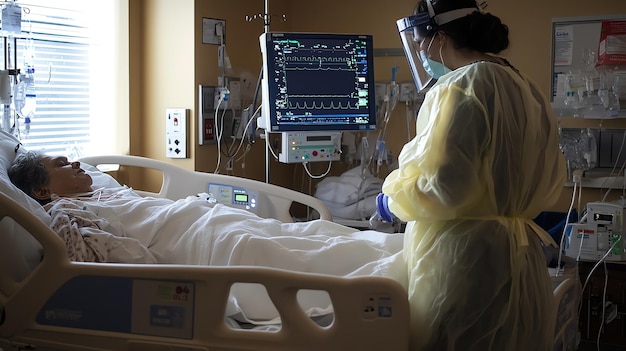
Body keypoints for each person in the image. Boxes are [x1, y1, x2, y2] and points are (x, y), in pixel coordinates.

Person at [375, 0, 567, 350]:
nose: (420, 51)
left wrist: (393, 201)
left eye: (420, 42)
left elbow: (446, 186)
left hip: (465, 264)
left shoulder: (462, 86)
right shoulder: (526, 87)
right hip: (520, 261)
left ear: (440, 37)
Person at [8, 150, 93, 205]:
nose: (76, 163)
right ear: (42, 192)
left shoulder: (98, 198)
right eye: (62, 164)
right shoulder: (66, 216)